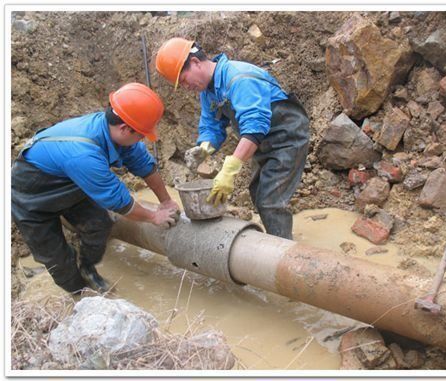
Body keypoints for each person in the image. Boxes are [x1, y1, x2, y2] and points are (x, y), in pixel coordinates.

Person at [11, 82, 179, 294]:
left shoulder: (118, 134)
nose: (144, 138)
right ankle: (80, 294)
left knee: (100, 224)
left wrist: (165, 201)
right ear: (125, 129)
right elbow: (121, 203)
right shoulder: (83, 153)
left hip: (70, 185)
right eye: (142, 134)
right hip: (31, 196)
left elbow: (145, 166)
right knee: (59, 261)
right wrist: (154, 217)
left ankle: (88, 268)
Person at [155, 38, 309, 240]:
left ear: (194, 62)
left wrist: (230, 169)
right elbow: (212, 124)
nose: (185, 87)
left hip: (286, 137)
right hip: (264, 142)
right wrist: (205, 147)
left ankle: (281, 254)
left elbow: (255, 126)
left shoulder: (238, 79)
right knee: (257, 191)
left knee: (270, 200)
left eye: (183, 79)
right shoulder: (209, 90)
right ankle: (274, 237)